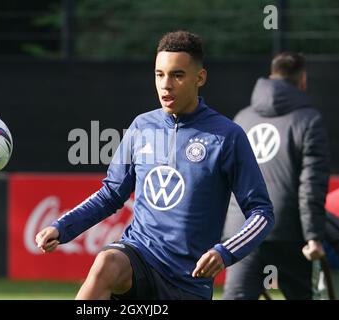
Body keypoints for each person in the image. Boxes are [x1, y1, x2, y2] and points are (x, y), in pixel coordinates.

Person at [35, 30, 274, 300]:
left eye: (177, 75)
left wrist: (225, 252)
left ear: (200, 78)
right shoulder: (142, 126)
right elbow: (111, 194)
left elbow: (261, 212)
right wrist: (62, 227)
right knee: (106, 263)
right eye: (159, 74)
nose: (166, 84)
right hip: (140, 256)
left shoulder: (227, 137)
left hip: (188, 281)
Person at [222, 52, 330, 300]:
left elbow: (225, 180)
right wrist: (313, 236)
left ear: (270, 77)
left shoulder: (242, 118)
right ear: (302, 80)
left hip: (243, 230)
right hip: (287, 233)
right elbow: (311, 185)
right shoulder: (309, 120)